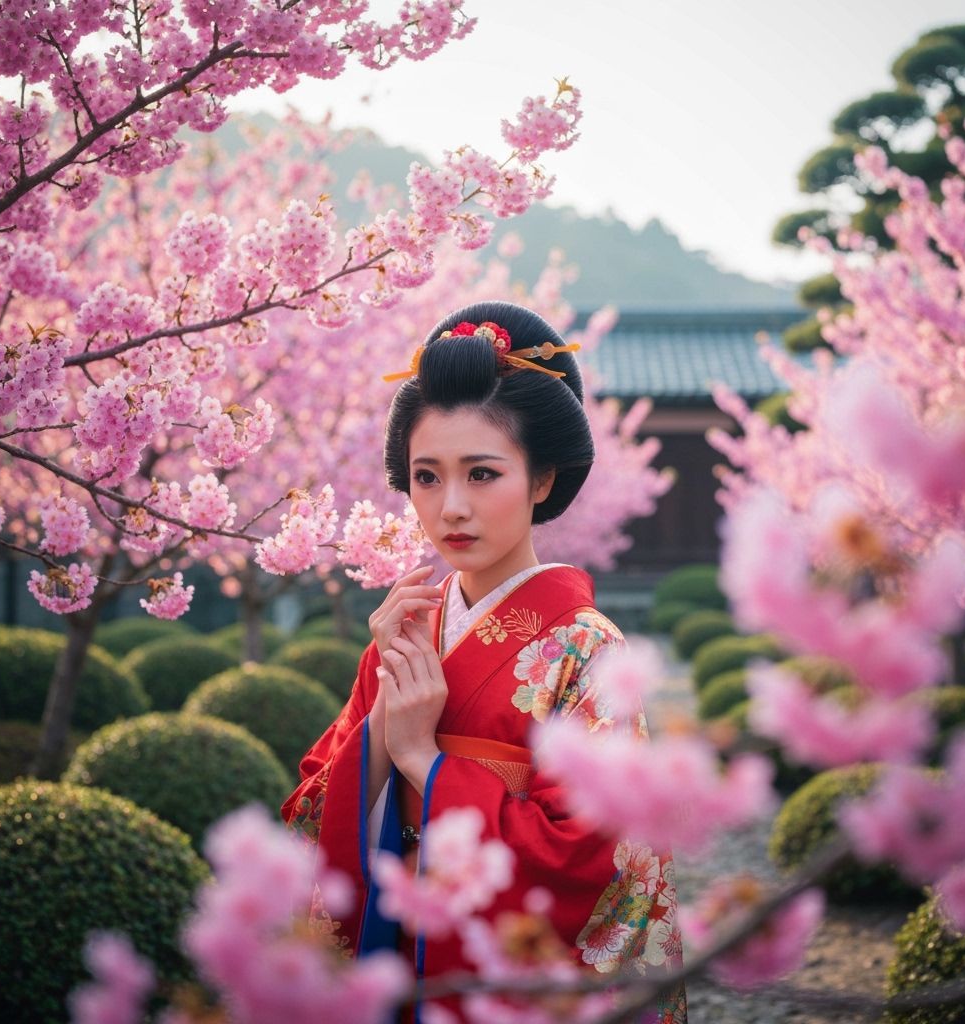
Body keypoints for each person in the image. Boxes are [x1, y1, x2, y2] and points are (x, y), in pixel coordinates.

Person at [281, 301, 686, 1023]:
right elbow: (311, 811)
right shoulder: (404, 632)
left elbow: (599, 857)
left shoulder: (588, 649)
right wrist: (379, 734)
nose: (451, 508)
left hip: (506, 978)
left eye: (483, 473)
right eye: (427, 477)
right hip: (396, 951)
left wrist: (423, 763)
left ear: (541, 481)